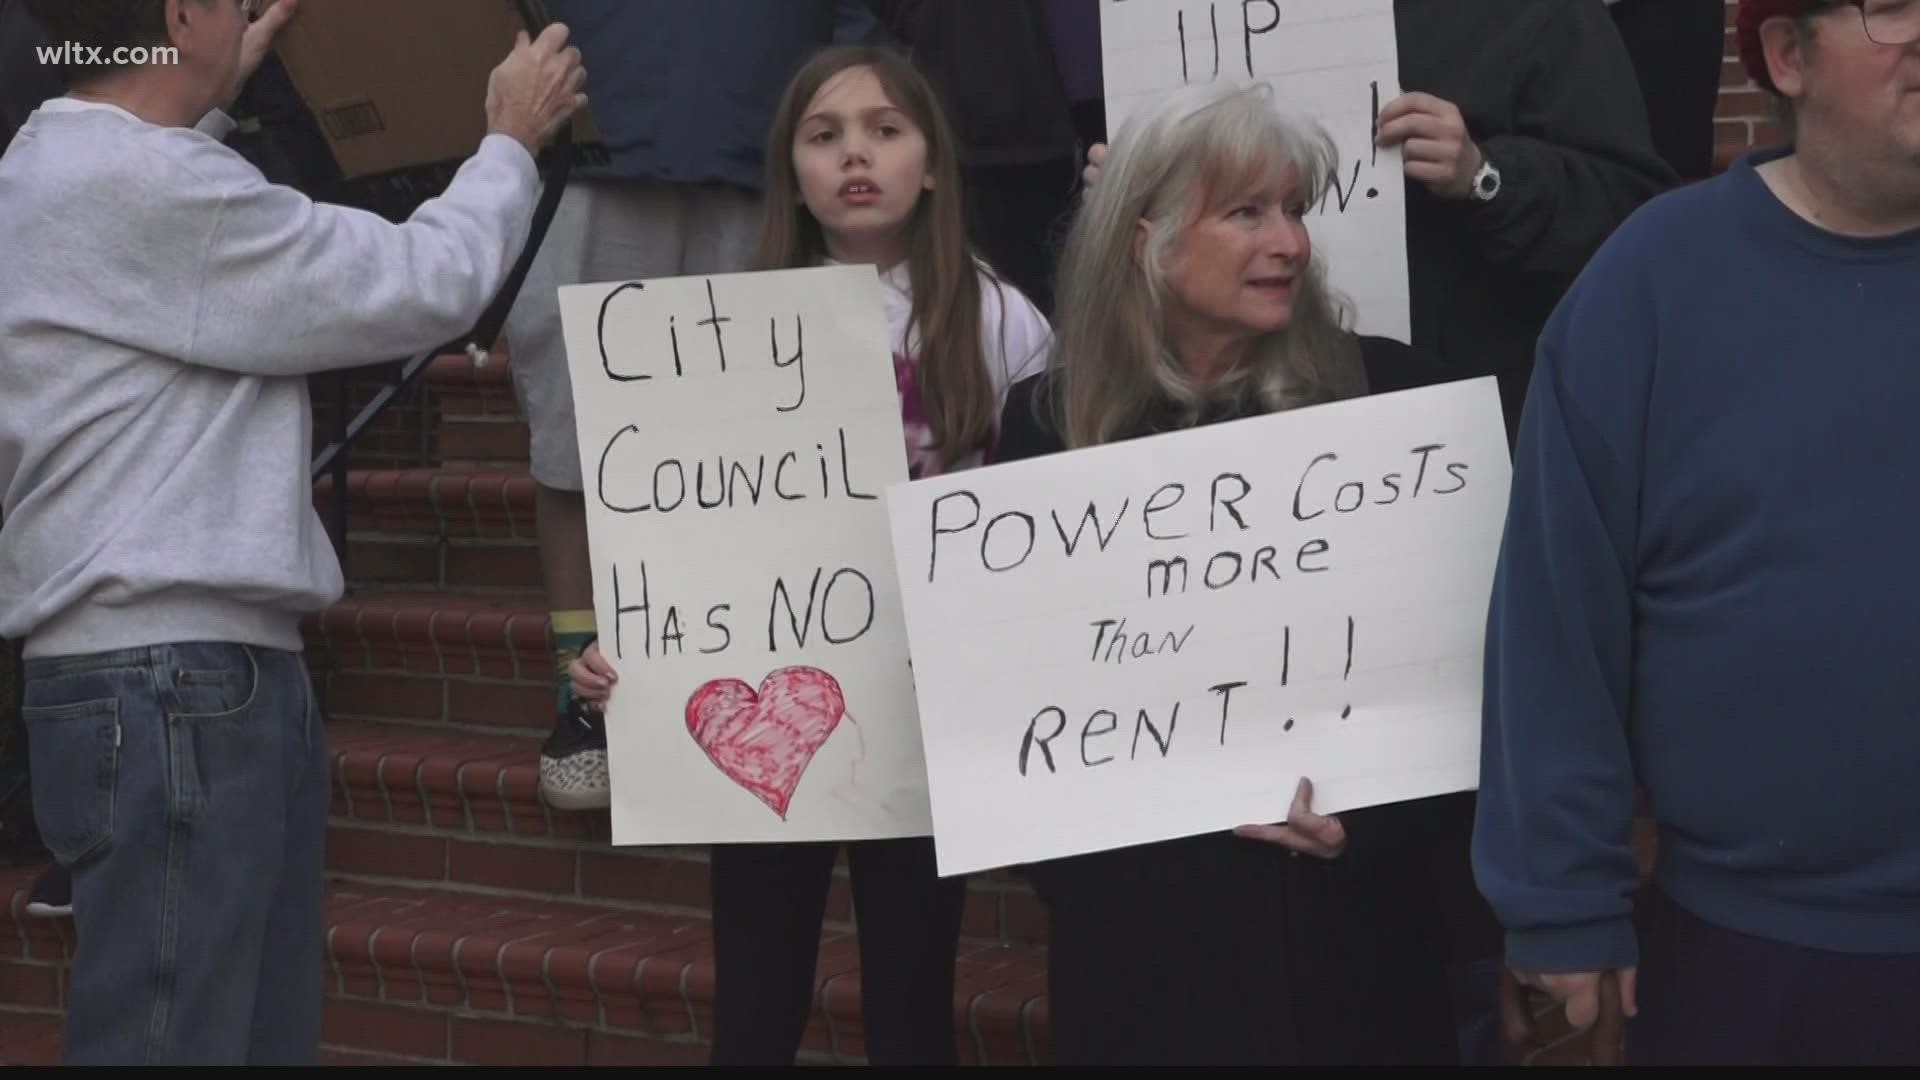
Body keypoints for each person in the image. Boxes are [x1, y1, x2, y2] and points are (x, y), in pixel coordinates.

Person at [0, 0, 587, 1064]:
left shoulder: (50, 167)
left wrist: (207, 84)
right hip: (178, 685)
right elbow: (422, 283)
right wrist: (509, 141)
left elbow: (185, 225)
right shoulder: (150, 187)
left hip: (153, 677)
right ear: (181, 13)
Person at [567, 44, 1052, 1065]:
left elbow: (1039, 531)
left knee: (914, 997)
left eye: (886, 129)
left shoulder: (1005, 323)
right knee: (756, 997)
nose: (856, 155)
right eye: (824, 136)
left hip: (925, 709)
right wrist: (636, 658)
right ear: (791, 172)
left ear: (933, 162)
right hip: (760, 703)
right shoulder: (720, 329)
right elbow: (687, 531)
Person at [1473, 0, 1920, 1066]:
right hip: (1749, 958)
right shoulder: (1653, 284)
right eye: (1893, 4)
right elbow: (1554, 619)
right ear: (1784, 53)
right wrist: (1560, 908)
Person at [995, 79, 1462, 1066]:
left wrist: (1366, 828)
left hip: (1346, 954)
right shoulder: (1043, 429)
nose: (1290, 241)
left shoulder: (1391, 400)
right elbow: (1021, 700)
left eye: (1293, 209)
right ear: (1145, 238)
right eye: (1247, 211)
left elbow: (1462, 678)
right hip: (1144, 954)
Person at [501, 0, 886, 813]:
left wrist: (834, 116)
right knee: (578, 449)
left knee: (759, 459)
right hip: (586, 150)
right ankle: (587, 705)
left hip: (765, 161)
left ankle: (742, 674)